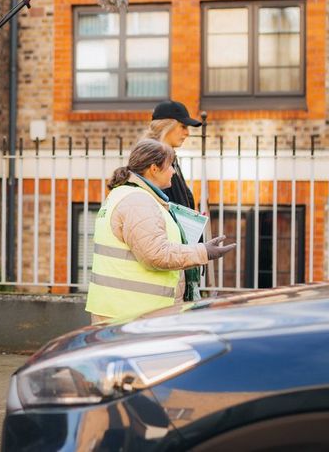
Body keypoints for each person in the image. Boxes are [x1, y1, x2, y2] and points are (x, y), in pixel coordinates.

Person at [86, 139, 236, 323]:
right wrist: (203, 251)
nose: (174, 171)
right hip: (134, 315)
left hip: (121, 310)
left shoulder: (126, 194)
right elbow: (156, 254)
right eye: (170, 165)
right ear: (153, 169)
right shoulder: (138, 201)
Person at [144, 100, 205, 300]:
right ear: (166, 126)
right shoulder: (152, 161)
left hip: (179, 258)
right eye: (183, 126)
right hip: (168, 264)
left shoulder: (170, 159)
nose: (187, 132)